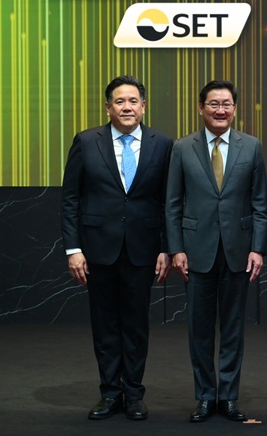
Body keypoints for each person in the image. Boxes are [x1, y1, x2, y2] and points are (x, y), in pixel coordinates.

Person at [61, 74, 173, 421]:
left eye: (133, 101)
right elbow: (70, 199)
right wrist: (73, 249)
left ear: (144, 106)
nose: (127, 107)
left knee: (136, 325)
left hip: (144, 248)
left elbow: (169, 202)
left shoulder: (162, 144)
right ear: (108, 107)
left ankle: (134, 395)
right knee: (105, 324)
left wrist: (167, 247)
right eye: (119, 101)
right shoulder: (86, 141)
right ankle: (110, 393)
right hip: (98, 249)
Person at [165, 80, 267, 423]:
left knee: (233, 329)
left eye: (226, 104)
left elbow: (260, 204)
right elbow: (172, 204)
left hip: (238, 251)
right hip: (196, 252)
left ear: (235, 109)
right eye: (213, 104)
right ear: (201, 108)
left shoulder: (251, 146)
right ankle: (205, 397)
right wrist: (176, 248)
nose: (220, 110)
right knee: (199, 329)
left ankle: (228, 397)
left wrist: (257, 248)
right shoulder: (182, 148)